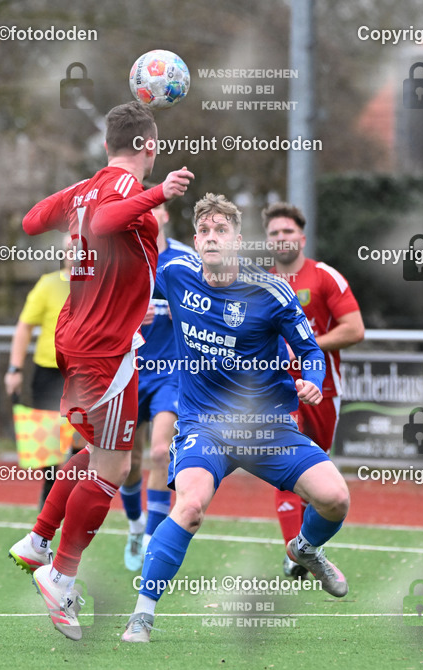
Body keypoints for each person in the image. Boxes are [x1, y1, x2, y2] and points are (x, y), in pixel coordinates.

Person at [121, 193, 350, 643]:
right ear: (195, 240)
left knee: (335, 499)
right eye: (204, 230)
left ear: (238, 241)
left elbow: (308, 350)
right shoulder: (175, 273)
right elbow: (130, 282)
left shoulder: (271, 292)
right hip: (203, 424)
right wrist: (133, 314)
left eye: (220, 230)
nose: (211, 237)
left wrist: (311, 380)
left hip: (267, 425)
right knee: (189, 507)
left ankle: (305, 548)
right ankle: (142, 616)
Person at [7, 101, 194, 641]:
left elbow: (29, 220)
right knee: (111, 469)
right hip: (105, 347)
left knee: (96, 454)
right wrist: (157, 195)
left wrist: (77, 197)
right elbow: (110, 218)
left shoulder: (90, 187)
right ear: (149, 146)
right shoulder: (125, 198)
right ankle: (61, 576)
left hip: (80, 336)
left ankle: (39, 540)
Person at [264, 202, 364, 578]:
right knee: (285, 461)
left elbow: (354, 329)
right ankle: (293, 554)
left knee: (314, 472)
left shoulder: (325, 277)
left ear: (301, 237)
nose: (281, 238)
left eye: (287, 231)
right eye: (274, 233)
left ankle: (306, 544)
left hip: (321, 388)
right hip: (277, 389)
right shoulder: (260, 283)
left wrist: (308, 344)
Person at [119, 202, 193, 570]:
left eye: (157, 209)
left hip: (171, 373)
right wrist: (131, 316)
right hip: (131, 370)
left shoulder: (185, 259)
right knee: (127, 462)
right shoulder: (125, 260)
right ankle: (134, 525)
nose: (150, 216)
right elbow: (104, 315)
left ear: (165, 216)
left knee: (161, 452)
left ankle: (151, 536)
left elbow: (206, 305)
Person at [4, 240, 85, 510]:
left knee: (79, 438)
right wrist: (15, 368)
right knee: (46, 445)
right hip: (48, 372)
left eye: (81, 249)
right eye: (70, 249)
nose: (75, 255)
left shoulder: (97, 286)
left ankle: (70, 493)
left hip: (82, 374)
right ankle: (49, 493)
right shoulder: (48, 284)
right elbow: (24, 327)